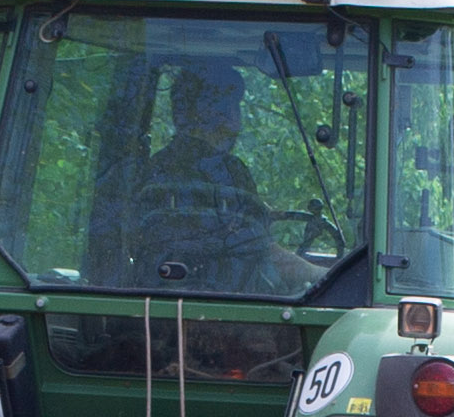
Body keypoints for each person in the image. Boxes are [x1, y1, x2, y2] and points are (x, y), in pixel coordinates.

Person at [104, 69, 306, 292]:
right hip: (229, 304)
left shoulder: (152, 171)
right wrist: (321, 274)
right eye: (231, 106)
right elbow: (264, 253)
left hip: (151, 301)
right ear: (222, 114)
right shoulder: (231, 172)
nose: (236, 122)